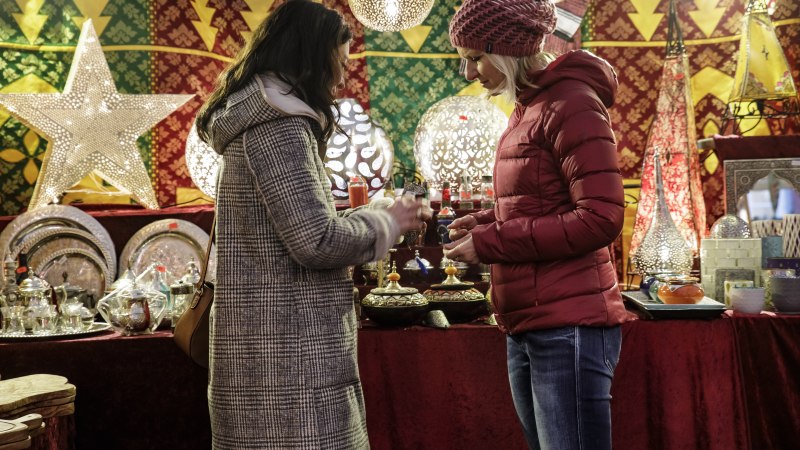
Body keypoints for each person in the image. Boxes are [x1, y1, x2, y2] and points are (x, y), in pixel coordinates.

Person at [195, 1, 429, 448]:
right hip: (289, 357)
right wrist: (389, 222)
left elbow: (300, 227)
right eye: (338, 63)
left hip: (272, 348)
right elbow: (315, 241)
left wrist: (380, 213)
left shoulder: (262, 119)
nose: (342, 78)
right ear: (309, 57)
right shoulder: (278, 126)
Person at [444, 1, 629, 449]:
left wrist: (490, 241)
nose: (470, 74)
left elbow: (600, 218)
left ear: (505, 49)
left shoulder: (573, 105)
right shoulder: (529, 109)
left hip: (570, 326)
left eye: (475, 58)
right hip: (529, 322)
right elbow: (541, 202)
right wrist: (486, 220)